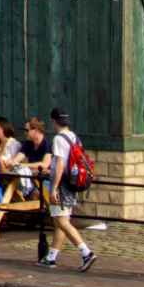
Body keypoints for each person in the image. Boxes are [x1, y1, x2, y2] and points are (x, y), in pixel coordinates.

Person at [38, 108, 94, 271]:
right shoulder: (75, 137)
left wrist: (54, 188)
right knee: (60, 221)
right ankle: (51, 257)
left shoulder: (58, 139)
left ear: (53, 121)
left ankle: (86, 253)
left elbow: (60, 165)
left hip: (61, 184)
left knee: (61, 220)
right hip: (72, 183)